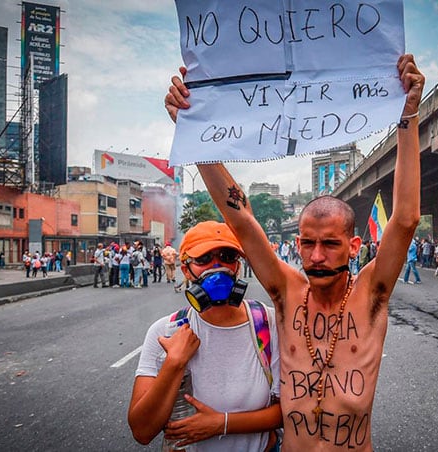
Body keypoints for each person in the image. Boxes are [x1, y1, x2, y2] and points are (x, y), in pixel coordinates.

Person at [163, 53, 424, 449]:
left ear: (354, 247)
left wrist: (408, 115)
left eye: (330, 244)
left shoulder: (372, 295)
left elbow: (405, 219)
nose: (316, 256)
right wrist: (194, 133)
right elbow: (242, 222)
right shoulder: (287, 292)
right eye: (307, 243)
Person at [128, 221, 282, 450]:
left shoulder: (267, 324)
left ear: (237, 267)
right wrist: (174, 363)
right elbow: (142, 431)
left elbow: (291, 410)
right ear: (185, 269)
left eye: (227, 256)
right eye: (203, 259)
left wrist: (222, 424)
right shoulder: (166, 332)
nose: (217, 266)